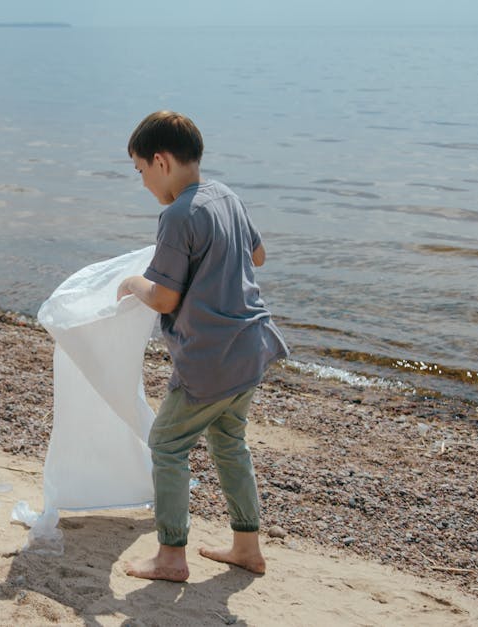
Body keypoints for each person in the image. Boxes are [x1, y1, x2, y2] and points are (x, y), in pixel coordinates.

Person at [117, 111, 288, 581]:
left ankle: (170, 556)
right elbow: (258, 255)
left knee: (167, 444)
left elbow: (165, 296)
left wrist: (134, 282)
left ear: (161, 161)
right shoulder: (225, 196)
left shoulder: (176, 215)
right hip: (252, 347)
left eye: (141, 172)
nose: (144, 183)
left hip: (211, 360)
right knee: (230, 441)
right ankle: (247, 547)